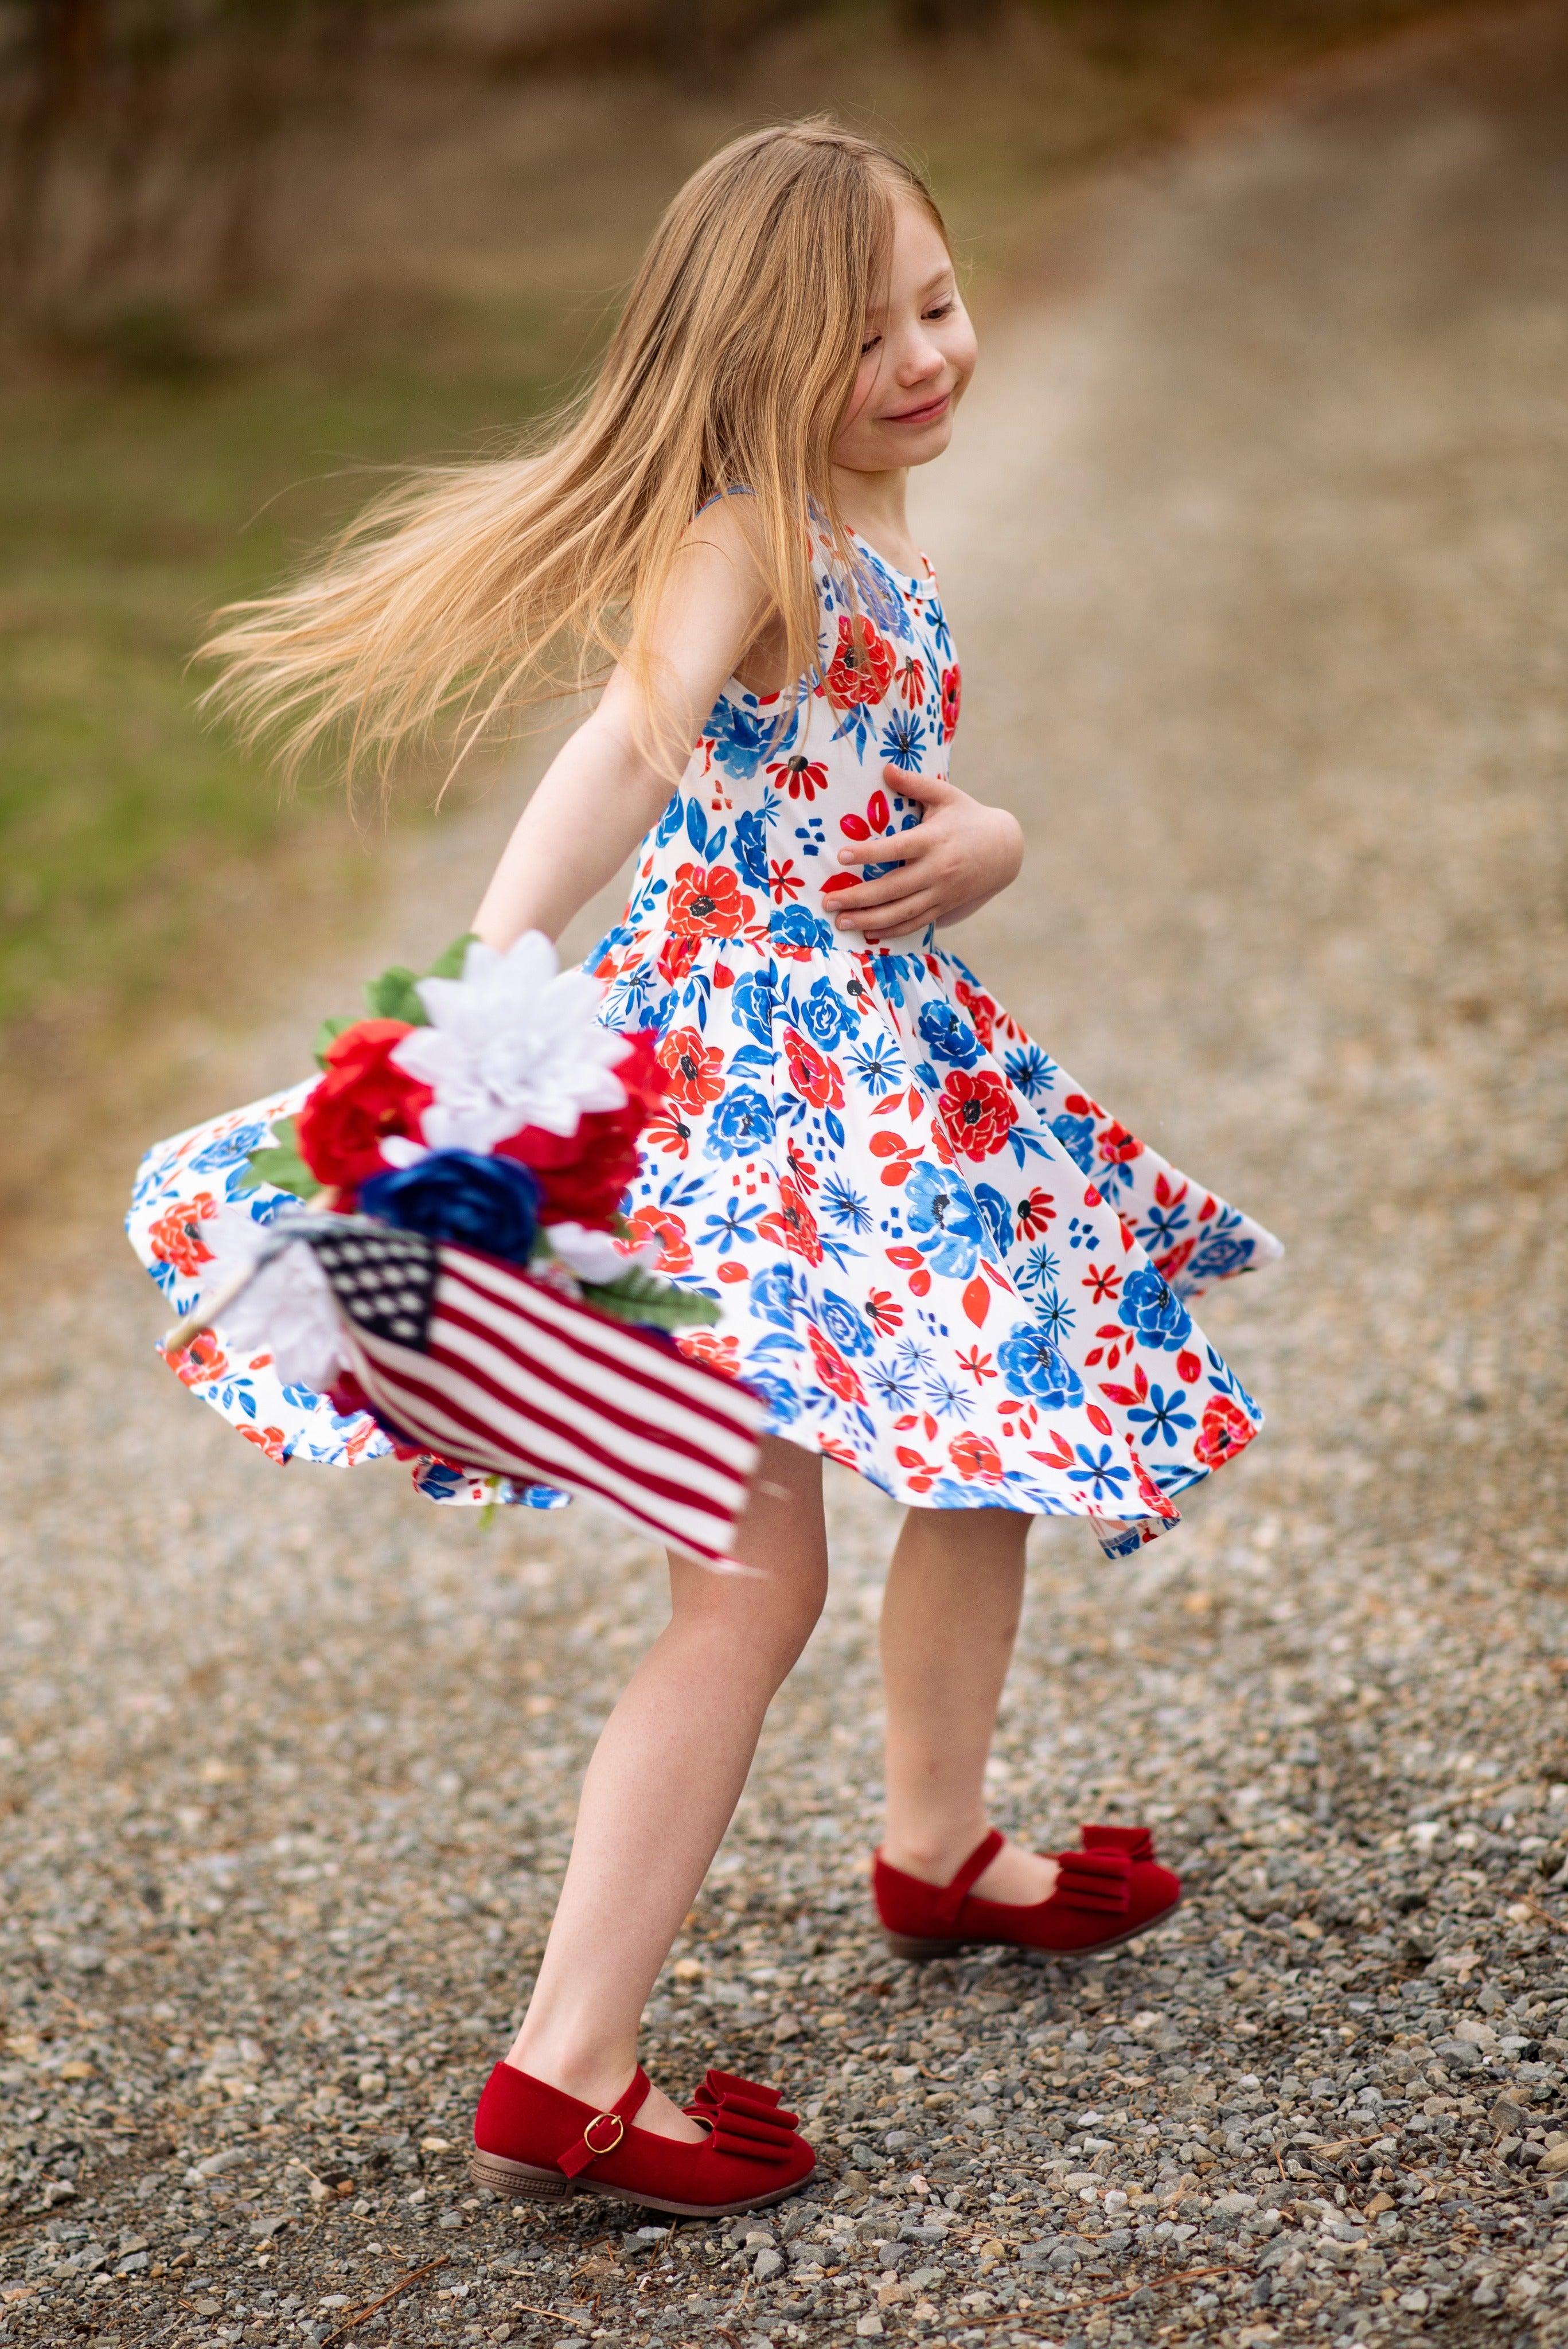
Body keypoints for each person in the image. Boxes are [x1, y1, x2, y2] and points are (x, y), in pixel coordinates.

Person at [193, 122, 1281, 2219]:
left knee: (978, 1447)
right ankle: (568, 2060)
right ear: (749, 361)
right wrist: (492, 977)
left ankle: (937, 1839)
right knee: (752, 1579)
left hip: (885, 1095)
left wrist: (999, 844)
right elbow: (626, 738)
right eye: (864, 335)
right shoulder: (747, 532)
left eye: (940, 307)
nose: (925, 358)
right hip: (750, 1117)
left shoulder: (871, 538)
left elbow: (890, 803)